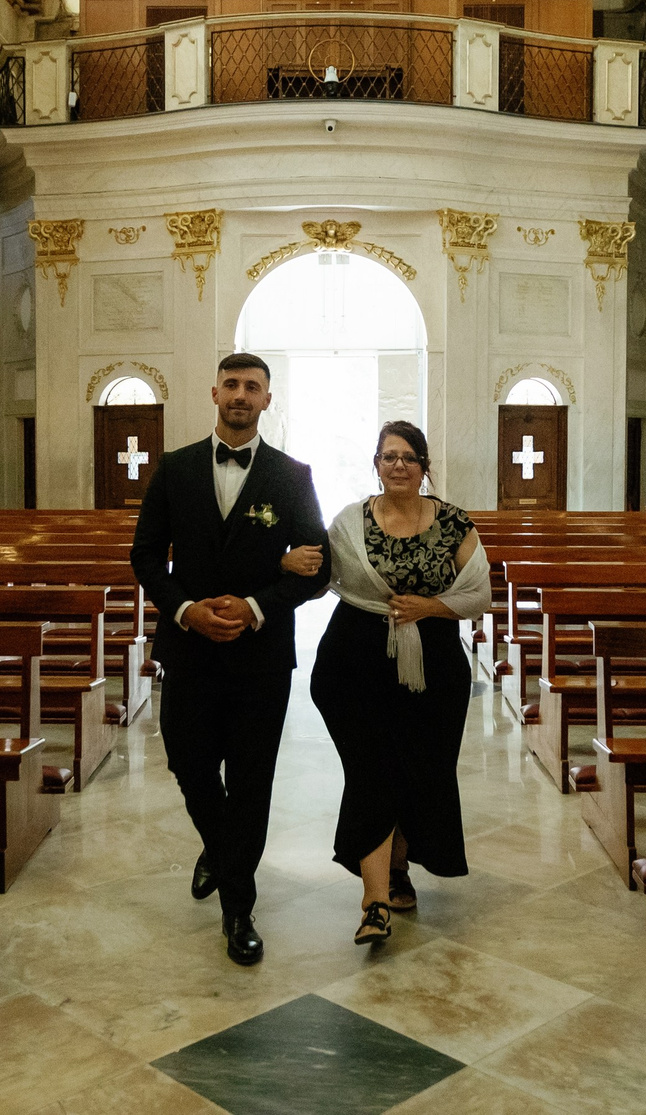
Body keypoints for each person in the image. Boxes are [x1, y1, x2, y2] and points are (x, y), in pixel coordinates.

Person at [128, 353, 330, 966]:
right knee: (189, 764)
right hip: (188, 648)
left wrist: (255, 605)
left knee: (250, 779)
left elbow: (317, 564)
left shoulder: (291, 476)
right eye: (233, 385)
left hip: (260, 656)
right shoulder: (175, 469)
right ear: (214, 392)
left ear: (268, 400)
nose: (242, 395)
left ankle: (238, 904)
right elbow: (144, 558)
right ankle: (220, 848)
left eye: (254, 387)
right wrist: (185, 609)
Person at [308, 421, 491, 946]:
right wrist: (283, 563)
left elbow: (478, 594)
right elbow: (321, 579)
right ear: (376, 463)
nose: (398, 465)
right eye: (389, 456)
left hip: (432, 663)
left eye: (409, 457)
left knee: (418, 771)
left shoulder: (454, 523)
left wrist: (429, 607)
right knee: (373, 772)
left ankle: (399, 868)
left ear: (425, 466)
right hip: (354, 662)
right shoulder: (349, 522)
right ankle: (375, 902)